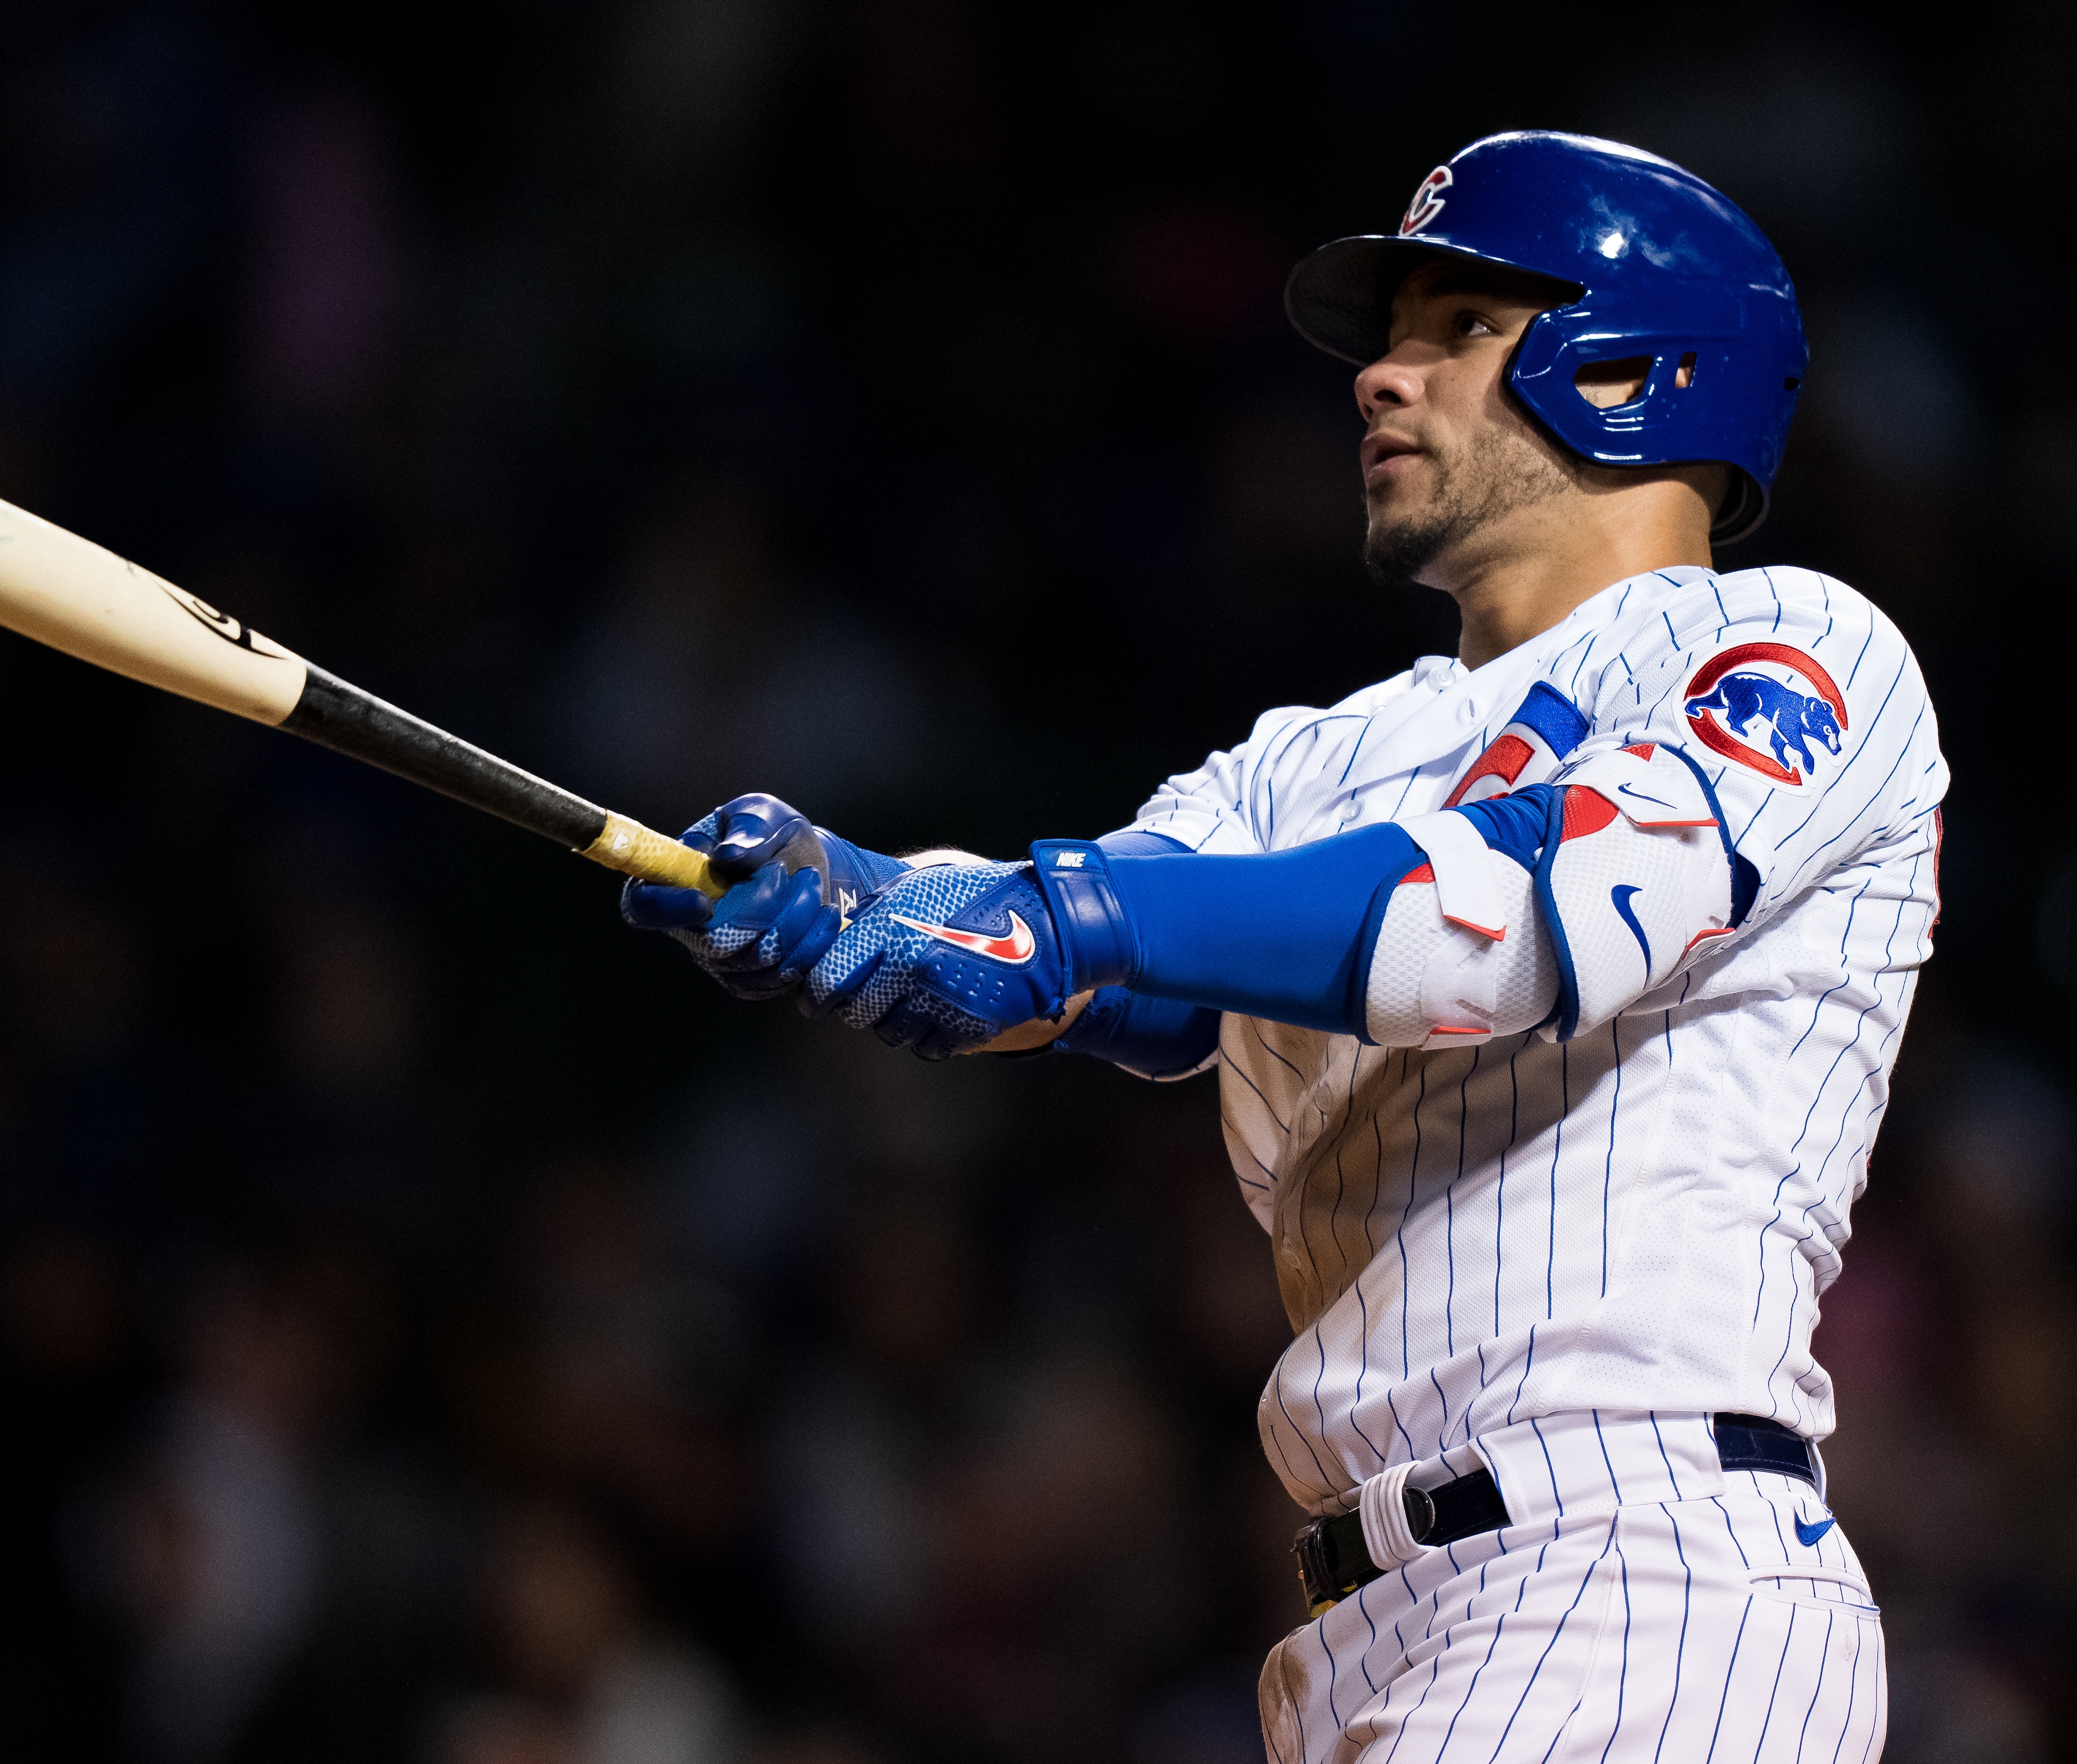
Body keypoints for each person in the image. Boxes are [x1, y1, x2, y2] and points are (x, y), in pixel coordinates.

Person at [622, 132, 1938, 1763]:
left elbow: (1527, 919)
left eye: (1456, 326)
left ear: (1646, 364)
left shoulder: (1795, 645)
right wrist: (854, 906)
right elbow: (1101, 951)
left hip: (1641, 1574)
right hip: (1364, 1627)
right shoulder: (1311, 758)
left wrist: (1066, 913)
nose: (1382, 378)